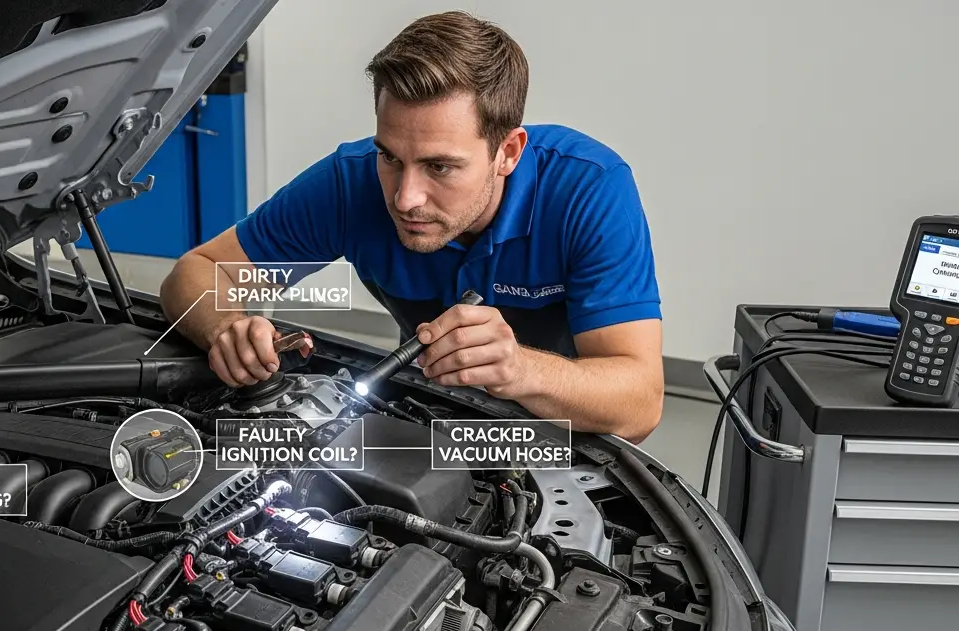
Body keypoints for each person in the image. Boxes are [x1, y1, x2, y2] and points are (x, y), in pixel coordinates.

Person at [160, 11, 663, 442]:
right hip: (429, 415)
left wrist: (519, 368)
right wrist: (226, 330)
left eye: (440, 167)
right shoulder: (350, 183)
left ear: (507, 153)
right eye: (390, 157)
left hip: (561, 432)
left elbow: (640, 405)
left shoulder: (589, 191)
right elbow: (199, 271)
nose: (405, 197)